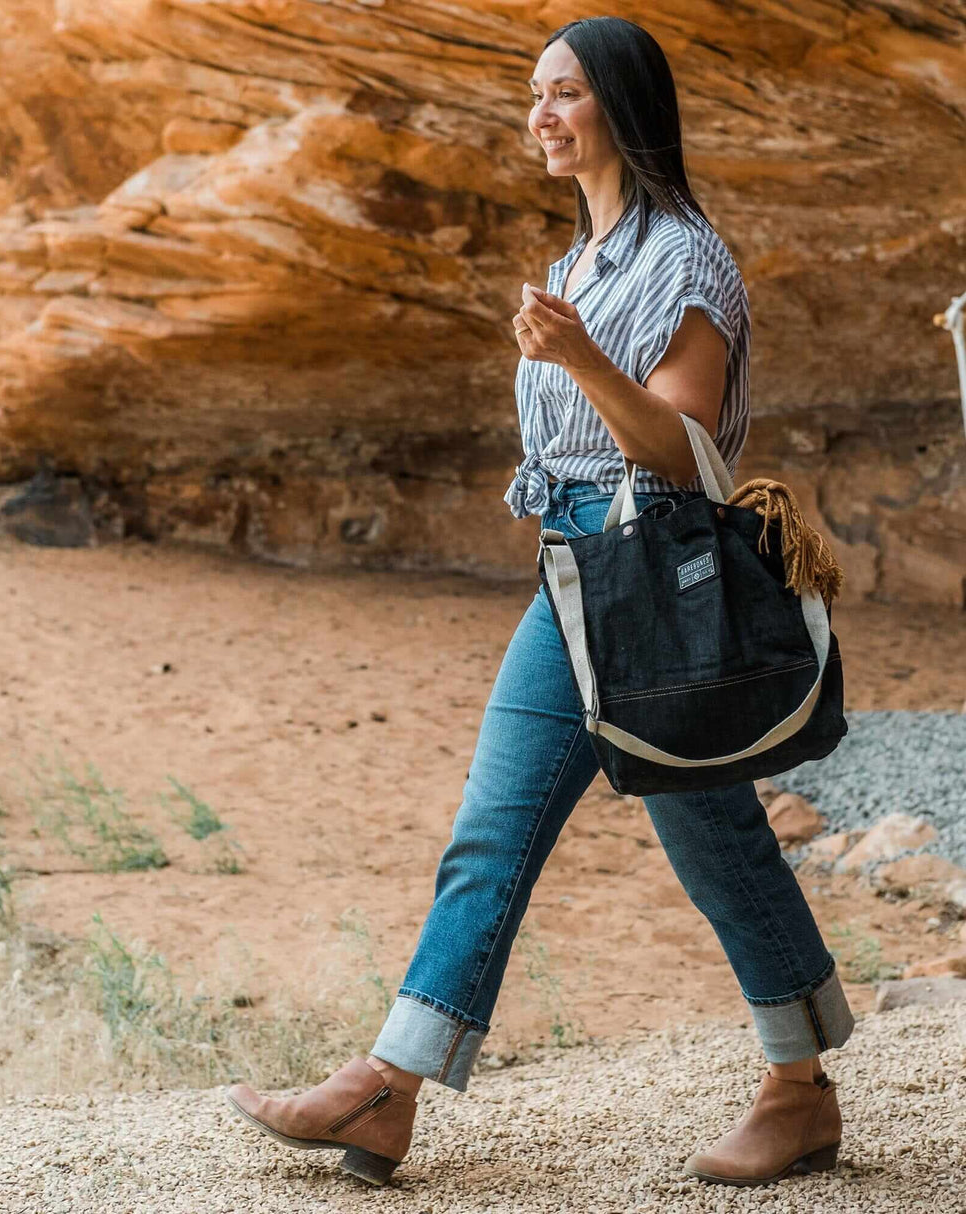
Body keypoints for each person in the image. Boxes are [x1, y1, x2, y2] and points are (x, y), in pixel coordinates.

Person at [226, 15, 853, 1190]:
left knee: (537, 829)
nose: (540, 116)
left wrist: (577, 359)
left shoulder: (685, 259)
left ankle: (390, 1084)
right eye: (533, 95)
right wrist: (565, 348)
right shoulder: (576, 266)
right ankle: (795, 1088)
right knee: (698, 835)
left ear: (621, 102)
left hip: (645, 578)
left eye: (563, 92)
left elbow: (679, 451)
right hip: (574, 571)